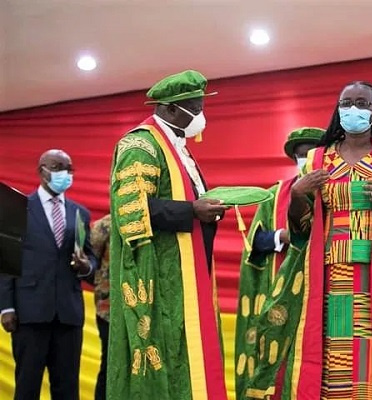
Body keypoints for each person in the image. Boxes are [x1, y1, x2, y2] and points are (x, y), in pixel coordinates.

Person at [244, 81, 372, 400]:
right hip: (329, 277)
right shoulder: (317, 159)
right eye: (346, 103)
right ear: (337, 110)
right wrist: (297, 194)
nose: (354, 109)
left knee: (370, 356)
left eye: (362, 104)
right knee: (331, 356)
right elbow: (301, 229)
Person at [108, 70, 229, 400]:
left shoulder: (181, 149)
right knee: (167, 349)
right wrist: (192, 211)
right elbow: (132, 209)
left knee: (189, 353)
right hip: (160, 274)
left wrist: (210, 208)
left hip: (189, 268)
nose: (201, 116)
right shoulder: (140, 145)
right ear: (171, 109)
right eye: (196, 108)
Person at [234, 127, 324, 400]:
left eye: (311, 153)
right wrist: (281, 236)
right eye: (300, 154)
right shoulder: (274, 195)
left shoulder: (337, 192)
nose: (305, 158)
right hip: (280, 292)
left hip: (321, 291)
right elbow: (255, 243)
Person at [0, 149, 97, 400]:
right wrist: (6, 308)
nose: (64, 174)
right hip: (29, 314)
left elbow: (91, 259)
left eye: (68, 169)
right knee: (28, 385)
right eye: (57, 167)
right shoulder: (18, 208)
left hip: (68, 314)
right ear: (41, 171)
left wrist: (87, 267)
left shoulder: (80, 214)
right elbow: (6, 262)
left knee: (66, 388)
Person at [90, 213, 111, 400]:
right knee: (110, 364)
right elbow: (89, 265)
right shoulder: (103, 226)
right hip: (108, 310)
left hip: (142, 309)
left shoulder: (147, 223)